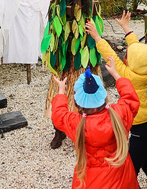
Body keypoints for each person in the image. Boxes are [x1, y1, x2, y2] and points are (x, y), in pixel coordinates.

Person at [11, 0, 102, 149]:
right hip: (62, 46)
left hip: (84, 44)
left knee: (86, 84)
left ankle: (88, 129)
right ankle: (59, 130)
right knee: (59, 83)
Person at [86, 11, 147, 189]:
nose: (125, 55)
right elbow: (137, 47)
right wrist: (126, 27)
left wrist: (96, 36)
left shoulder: (128, 76)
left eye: (127, 54)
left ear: (130, 63)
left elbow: (109, 54)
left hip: (140, 132)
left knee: (129, 172)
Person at [51, 57, 140, 189]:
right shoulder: (119, 113)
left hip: (90, 180)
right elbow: (130, 97)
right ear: (105, 96)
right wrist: (116, 75)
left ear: (77, 102)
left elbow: (58, 115)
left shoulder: (76, 122)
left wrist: (61, 92)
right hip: (123, 178)